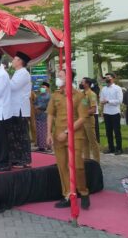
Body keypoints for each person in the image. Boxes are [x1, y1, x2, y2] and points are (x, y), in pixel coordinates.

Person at [47, 69, 91, 210]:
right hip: (58, 136)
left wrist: (66, 132)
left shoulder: (80, 96)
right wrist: (48, 133)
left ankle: (83, 192)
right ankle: (68, 195)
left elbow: (83, 118)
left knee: (77, 166)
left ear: (68, 78)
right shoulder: (55, 95)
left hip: (75, 136)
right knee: (63, 166)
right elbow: (50, 114)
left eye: (60, 76)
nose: (57, 78)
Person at [7, 51, 33, 169]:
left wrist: (3, 78)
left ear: (20, 62)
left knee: (21, 135)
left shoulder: (23, 73)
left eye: (14, 59)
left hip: (20, 108)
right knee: (14, 135)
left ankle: (24, 159)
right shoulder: (18, 72)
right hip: (14, 108)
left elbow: (13, 86)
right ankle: (15, 158)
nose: (12, 61)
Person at [100, 73, 124, 155]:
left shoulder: (117, 88)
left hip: (115, 112)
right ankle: (111, 148)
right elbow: (101, 99)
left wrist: (108, 101)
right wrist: (102, 111)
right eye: (105, 77)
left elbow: (119, 101)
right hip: (106, 112)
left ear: (113, 78)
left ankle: (119, 148)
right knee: (108, 132)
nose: (106, 78)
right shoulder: (103, 89)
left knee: (117, 131)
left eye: (108, 77)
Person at [80, 77, 100, 163]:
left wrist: (83, 113)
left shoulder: (92, 94)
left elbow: (93, 109)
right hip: (83, 120)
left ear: (87, 84)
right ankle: (87, 161)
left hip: (89, 120)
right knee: (84, 142)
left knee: (93, 142)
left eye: (82, 82)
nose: (81, 83)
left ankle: (97, 161)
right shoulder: (82, 94)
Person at [34, 82, 51, 152]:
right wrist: (36, 107)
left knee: (44, 131)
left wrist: (39, 107)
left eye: (44, 87)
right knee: (39, 131)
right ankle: (40, 146)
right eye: (42, 87)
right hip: (38, 115)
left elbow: (48, 106)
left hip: (45, 115)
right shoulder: (39, 96)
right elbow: (35, 103)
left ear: (47, 88)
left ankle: (47, 146)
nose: (42, 88)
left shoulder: (49, 96)